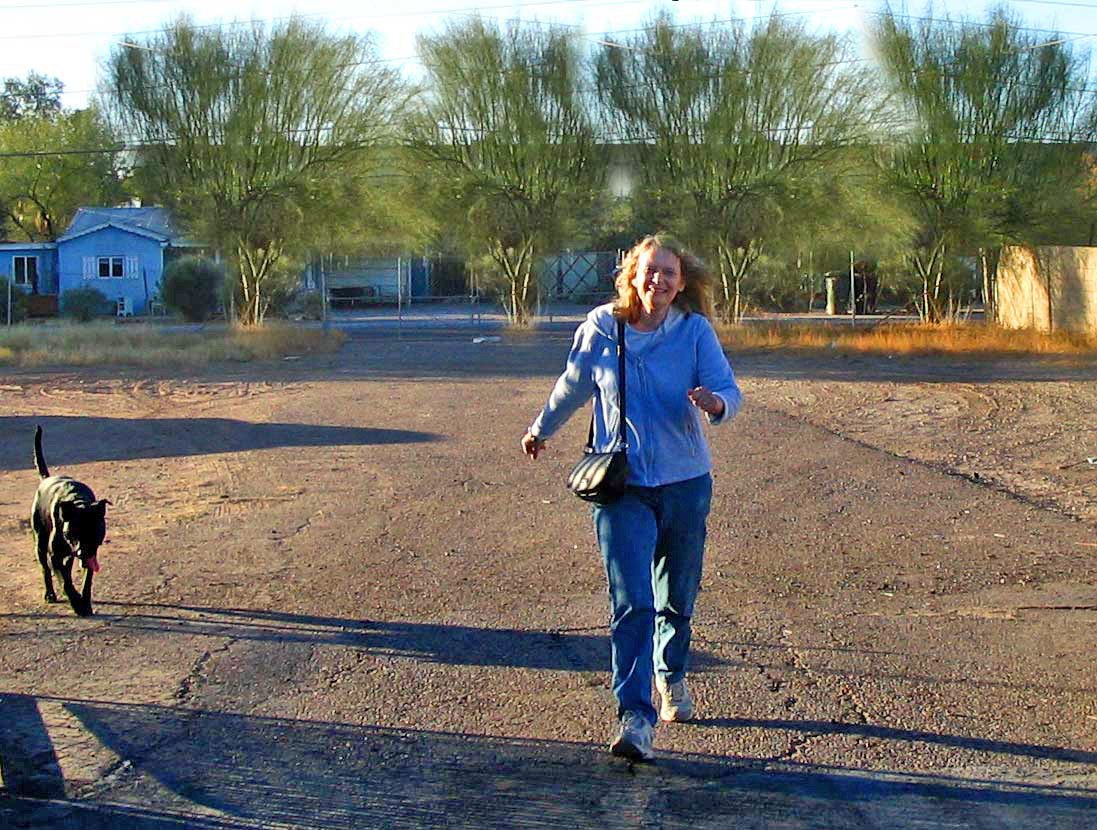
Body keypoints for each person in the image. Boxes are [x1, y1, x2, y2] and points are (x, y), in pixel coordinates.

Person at [520, 233, 742, 761]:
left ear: (681, 282)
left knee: (677, 596)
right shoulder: (602, 326)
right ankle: (635, 718)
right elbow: (572, 385)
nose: (657, 281)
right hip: (622, 486)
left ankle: (673, 674)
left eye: (668, 273)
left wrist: (715, 404)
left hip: (686, 482)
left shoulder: (694, 331)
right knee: (633, 602)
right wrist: (540, 428)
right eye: (648, 271)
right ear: (631, 276)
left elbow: (729, 391)